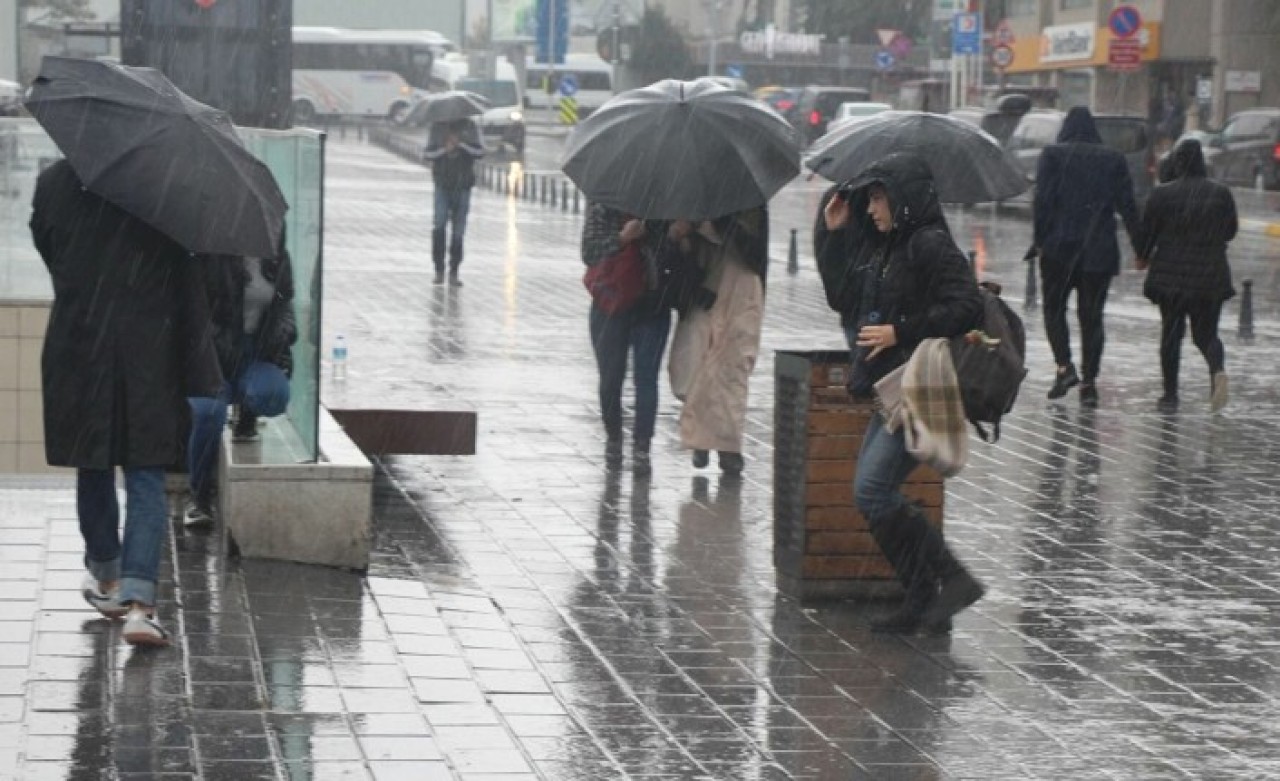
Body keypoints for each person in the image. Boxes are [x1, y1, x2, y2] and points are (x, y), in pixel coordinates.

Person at [29, 159, 222, 647]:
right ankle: (141, 605)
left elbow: (50, 249)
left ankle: (108, 577)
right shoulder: (162, 185)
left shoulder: (54, 181)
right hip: (147, 349)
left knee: (92, 462)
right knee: (145, 471)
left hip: (80, 342)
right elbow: (185, 271)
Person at [820, 153, 985, 633]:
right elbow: (843, 298)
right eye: (869, 197)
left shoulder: (929, 244)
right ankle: (924, 597)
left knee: (872, 490)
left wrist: (901, 331)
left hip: (916, 384)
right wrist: (835, 237)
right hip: (890, 387)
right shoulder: (888, 245)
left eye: (878, 197)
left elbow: (966, 306)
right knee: (870, 491)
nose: (871, 208)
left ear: (904, 197)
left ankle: (949, 581)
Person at [1033, 106, 1143, 408]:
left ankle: (1065, 367)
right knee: (1092, 318)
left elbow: (1042, 202)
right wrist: (1141, 248)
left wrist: (1039, 240)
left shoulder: (1053, 156)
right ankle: (1090, 383)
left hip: (1059, 250)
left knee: (1054, 310)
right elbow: (1128, 206)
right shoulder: (1112, 159)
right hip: (1099, 251)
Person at [184, 246, 297, 526]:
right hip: (212, 357)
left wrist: (283, 332)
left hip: (255, 355)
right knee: (209, 414)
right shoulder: (211, 256)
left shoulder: (276, 258)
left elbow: (285, 305)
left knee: (273, 395)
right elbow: (194, 312)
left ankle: (248, 413)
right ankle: (199, 495)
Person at [581, 204, 693, 475]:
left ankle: (642, 446)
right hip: (610, 304)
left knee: (646, 379)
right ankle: (614, 440)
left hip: (651, 306)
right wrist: (622, 238)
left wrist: (675, 239)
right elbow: (589, 253)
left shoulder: (663, 204)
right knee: (610, 379)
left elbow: (670, 263)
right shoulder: (602, 204)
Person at [1138, 139, 1236, 413]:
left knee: (1171, 335)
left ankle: (1170, 395)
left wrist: (1143, 255)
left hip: (1172, 279)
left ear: (1178, 163)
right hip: (1210, 276)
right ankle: (1216, 370)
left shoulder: (1162, 195)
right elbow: (1230, 231)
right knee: (1207, 334)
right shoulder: (1221, 193)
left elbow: (1148, 233)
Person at [670, 208, 768, 475]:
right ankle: (701, 438)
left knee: (731, 369)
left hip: (741, 290)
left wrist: (718, 223)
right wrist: (685, 238)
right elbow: (678, 258)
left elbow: (753, 252)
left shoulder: (750, 204)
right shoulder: (689, 199)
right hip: (703, 289)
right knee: (695, 364)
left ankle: (728, 447)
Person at [424, 118, 484, 286]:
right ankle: (439, 270)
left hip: (463, 185)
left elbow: (480, 152)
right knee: (439, 225)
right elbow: (428, 154)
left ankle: (454, 271)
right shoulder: (437, 127)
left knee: (458, 231)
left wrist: (462, 146)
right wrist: (445, 149)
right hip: (442, 184)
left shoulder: (470, 126)